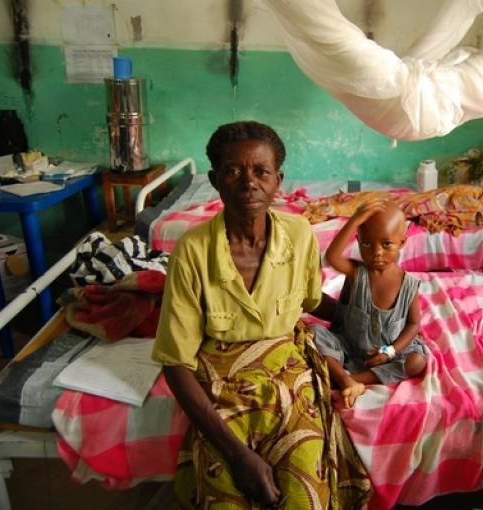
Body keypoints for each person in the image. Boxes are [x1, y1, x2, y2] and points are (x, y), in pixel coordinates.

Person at [152, 121, 369, 509]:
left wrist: (365, 317)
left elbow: (308, 299)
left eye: (261, 172)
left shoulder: (300, 233)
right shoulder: (192, 250)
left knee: (304, 495)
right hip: (222, 386)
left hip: (289, 378)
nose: (248, 183)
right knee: (228, 495)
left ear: (277, 180)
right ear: (216, 180)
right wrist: (237, 454)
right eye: (233, 171)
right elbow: (175, 363)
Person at [313, 199, 427, 408]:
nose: (377, 252)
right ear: (358, 241)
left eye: (386, 244)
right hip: (348, 345)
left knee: (416, 362)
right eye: (367, 243)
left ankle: (355, 379)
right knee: (313, 333)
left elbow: (413, 325)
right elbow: (332, 256)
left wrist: (389, 352)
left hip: (387, 350)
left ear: (402, 242)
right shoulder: (357, 273)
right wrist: (355, 219)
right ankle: (344, 377)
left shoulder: (408, 285)